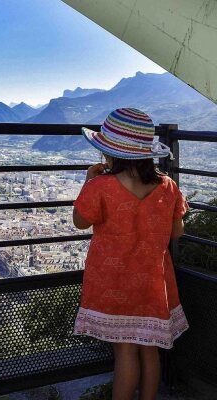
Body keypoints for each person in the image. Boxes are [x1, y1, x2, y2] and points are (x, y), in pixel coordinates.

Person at [72, 108, 189, 400]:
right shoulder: (168, 186)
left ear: (111, 153)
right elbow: (177, 232)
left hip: (114, 282)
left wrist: (88, 180)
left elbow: (80, 221)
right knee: (149, 348)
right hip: (153, 281)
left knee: (124, 352)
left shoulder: (101, 186)